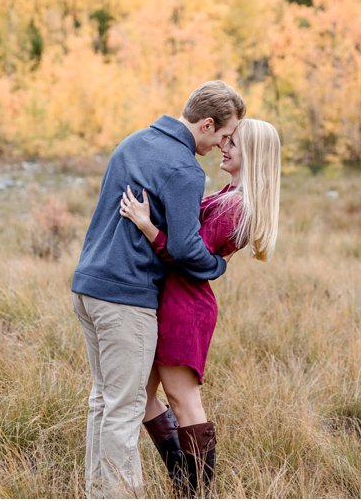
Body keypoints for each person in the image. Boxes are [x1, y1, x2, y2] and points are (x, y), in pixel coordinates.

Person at [70, 81, 246, 498]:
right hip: (126, 296)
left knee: (104, 401)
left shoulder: (133, 143)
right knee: (124, 408)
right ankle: (117, 494)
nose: (223, 143)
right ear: (206, 124)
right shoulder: (184, 169)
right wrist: (217, 265)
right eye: (223, 135)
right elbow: (187, 248)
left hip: (88, 286)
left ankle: (98, 490)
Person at [120, 118, 282, 497]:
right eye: (226, 140)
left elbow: (187, 254)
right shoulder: (229, 194)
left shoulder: (237, 207)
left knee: (183, 400)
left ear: (253, 155)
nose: (224, 147)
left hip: (185, 306)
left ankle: (195, 492)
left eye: (234, 144)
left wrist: (148, 227)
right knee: (140, 396)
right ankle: (183, 482)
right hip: (171, 299)